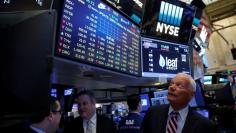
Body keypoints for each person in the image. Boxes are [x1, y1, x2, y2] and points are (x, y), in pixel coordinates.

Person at [141, 73, 216, 133]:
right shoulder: (153, 112)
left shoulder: (205, 125)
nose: (172, 87)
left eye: (179, 86)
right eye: (171, 84)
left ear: (191, 94)